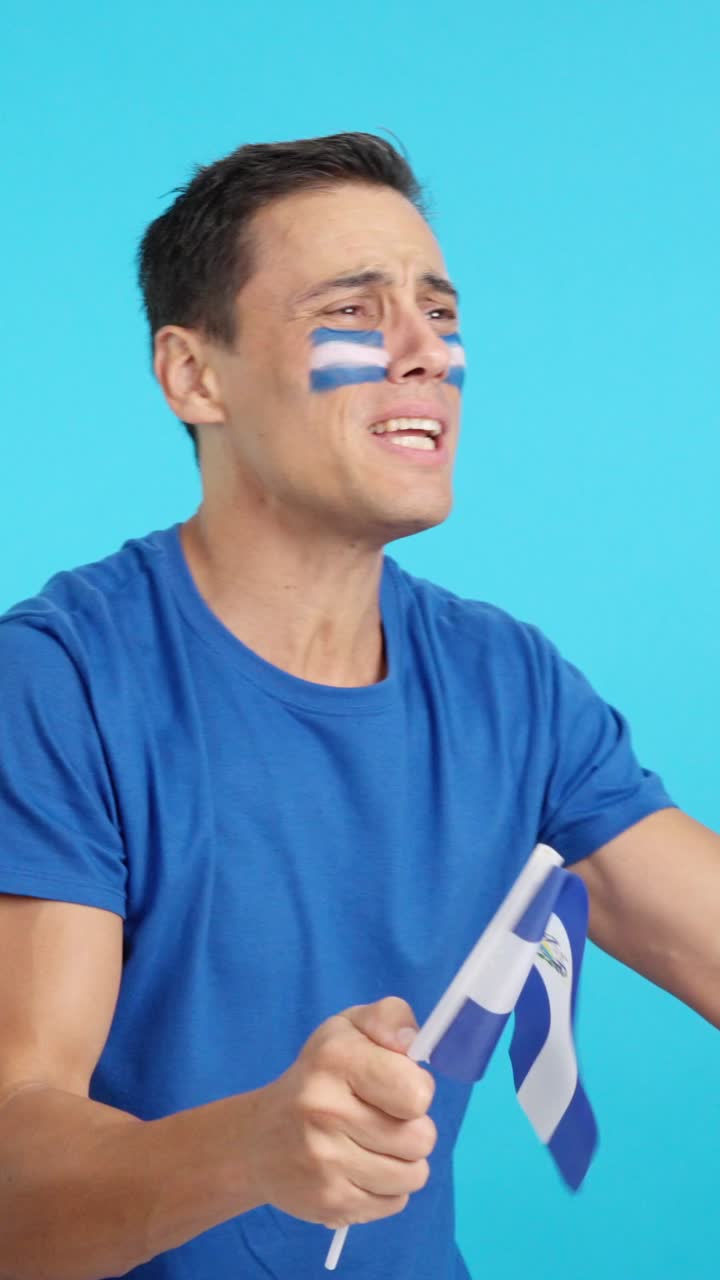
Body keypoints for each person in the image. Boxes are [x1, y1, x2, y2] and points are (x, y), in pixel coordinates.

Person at [0, 132, 716, 1280]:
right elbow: (12, 1171)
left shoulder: (510, 685)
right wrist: (252, 1145)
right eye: (355, 310)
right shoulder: (60, 682)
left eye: (438, 310)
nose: (426, 349)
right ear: (196, 375)